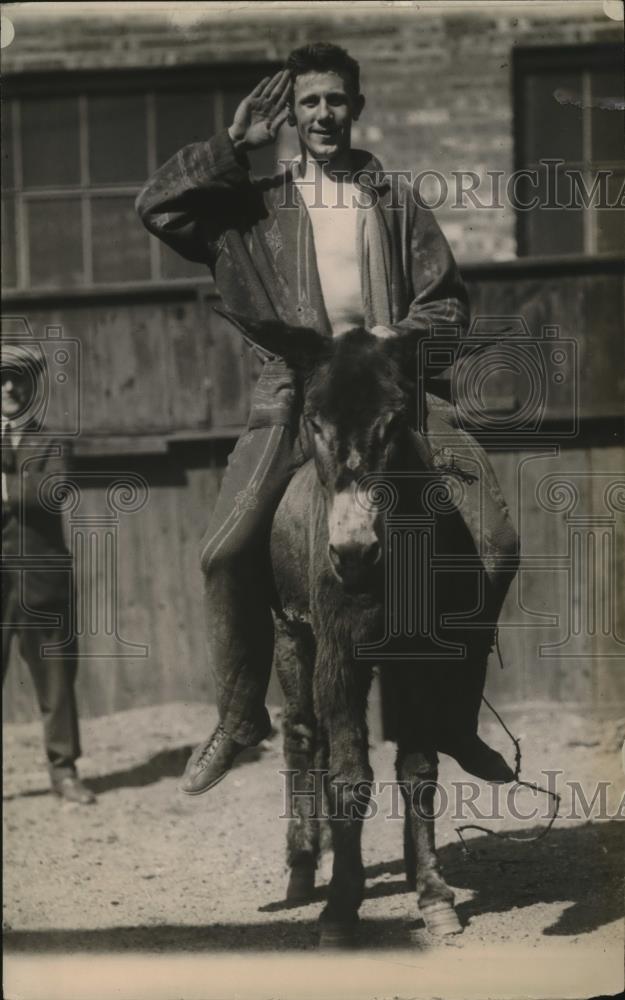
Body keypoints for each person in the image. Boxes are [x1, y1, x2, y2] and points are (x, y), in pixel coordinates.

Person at [136, 42, 519, 794]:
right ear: (288, 115)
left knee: (497, 545)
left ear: (357, 107)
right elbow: (157, 208)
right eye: (308, 102)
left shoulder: (395, 200)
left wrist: (397, 338)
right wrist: (228, 146)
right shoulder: (252, 206)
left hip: (390, 392)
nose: (323, 115)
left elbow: (446, 305)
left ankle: (450, 716)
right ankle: (240, 717)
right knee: (223, 552)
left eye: (335, 100)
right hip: (295, 393)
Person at [2, 344, 95, 805]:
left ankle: (64, 771)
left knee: (56, 680)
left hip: (42, 580)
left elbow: (53, 492)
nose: (9, 388)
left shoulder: (53, 440)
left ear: (33, 386)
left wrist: (4, 487)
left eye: (18, 379)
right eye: (1, 378)